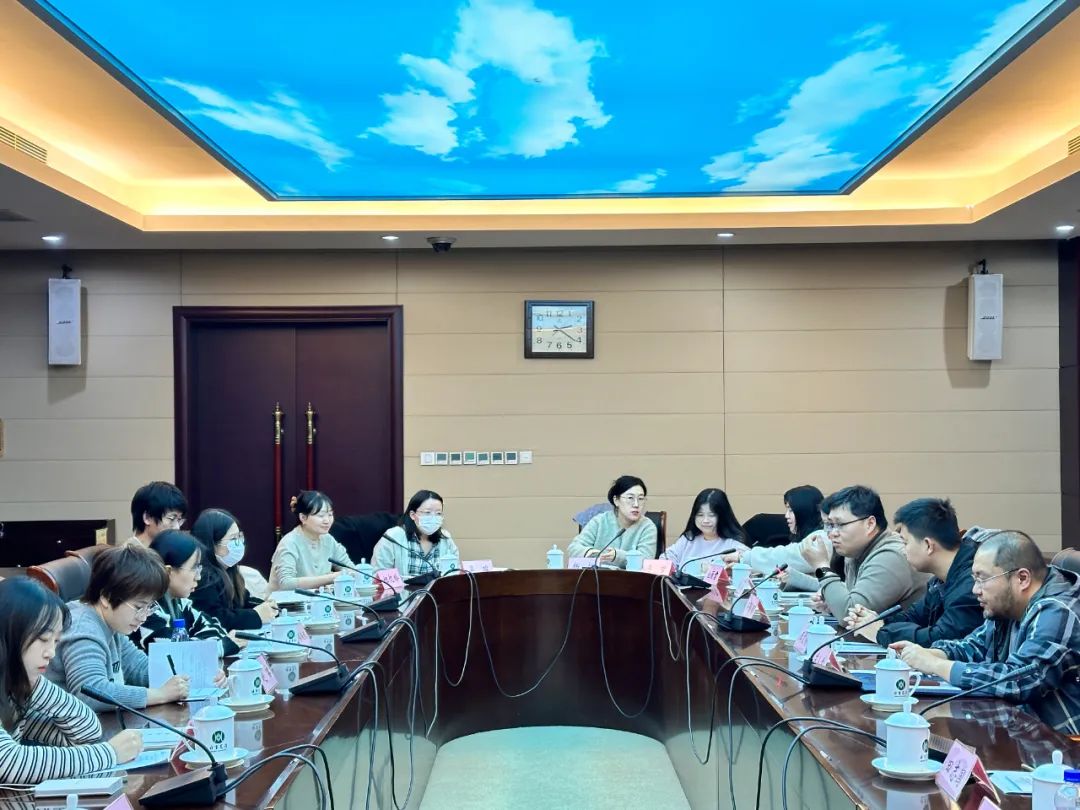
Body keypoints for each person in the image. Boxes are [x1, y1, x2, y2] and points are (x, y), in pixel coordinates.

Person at [891, 531, 1080, 735]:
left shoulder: (1057, 611)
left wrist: (936, 665)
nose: (975, 590)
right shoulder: (1008, 605)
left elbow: (1018, 681)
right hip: (1020, 734)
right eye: (974, 579)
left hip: (1063, 745)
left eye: (982, 579)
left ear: (1022, 578)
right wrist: (930, 654)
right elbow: (973, 647)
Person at [0, 578, 143, 783]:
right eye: (43, 639)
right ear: (8, 633)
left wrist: (35, 684)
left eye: (56, 641)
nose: (51, 652)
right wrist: (109, 753)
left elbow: (86, 733)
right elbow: (9, 763)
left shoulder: (16, 690)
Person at [47, 544, 199, 711]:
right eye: (139, 607)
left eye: (149, 607)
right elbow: (90, 693)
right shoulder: (82, 627)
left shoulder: (110, 624)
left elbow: (138, 668)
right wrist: (160, 695)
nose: (144, 617)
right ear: (106, 597)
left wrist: (194, 677)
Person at [844, 498, 982, 645]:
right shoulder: (940, 580)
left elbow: (940, 638)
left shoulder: (972, 583)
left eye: (905, 542)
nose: (903, 550)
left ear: (928, 545)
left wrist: (881, 633)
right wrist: (876, 621)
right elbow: (912, 617)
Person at [799, 484, 928, 620]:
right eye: (830, 525)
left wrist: (821, 567)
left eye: (840, 524)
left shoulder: (891, 555)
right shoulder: (855, 552)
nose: (832, 533)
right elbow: (850, 604)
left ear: (870, 524)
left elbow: (849, 615)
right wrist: (833, 603)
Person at [132, 530, 241, 657]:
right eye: (194, 568)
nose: (198, 577)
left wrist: (189, 645)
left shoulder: (180, 603)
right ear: (168, 572)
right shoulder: (147, 610)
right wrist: (219, 647)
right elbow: (174, 654)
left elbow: (215, 628)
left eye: (199, 568)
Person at [723, 485, 829, 591]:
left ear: (804, 511)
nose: (786, 516)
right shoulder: (803, 538)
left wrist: (745, 558)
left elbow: (786, 557)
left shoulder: (821, 538)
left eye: (791, 510)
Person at [190, 508, 278, 630]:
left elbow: (243, 601)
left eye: (239, 537)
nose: (239, 544)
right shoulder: (202, 577)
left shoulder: (230, 570)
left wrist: (266, 606)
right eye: (232, 539)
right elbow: (216, 618)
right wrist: (256, 615)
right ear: (212, 544)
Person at [269, 490, 357, 592]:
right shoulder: (289, 542)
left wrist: (341, 575)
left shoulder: (328, 539)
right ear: (303, 517)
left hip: (318, 599)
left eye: (330, 514)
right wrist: (331, 578)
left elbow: (351, 570)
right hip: (286, 601)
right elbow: (286, 583)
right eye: (321, 516)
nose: (327, 520)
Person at [567, 475, 657, 568]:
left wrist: (618, 556)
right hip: (597, 575)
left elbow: (646, 560)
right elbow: (573, 548)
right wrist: (589, 552)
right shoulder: (599, 521)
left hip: (631, 577)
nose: (636, 504)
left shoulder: (647, 527)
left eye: (641, 499)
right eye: (630, 498)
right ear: (616, 500)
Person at [373, 490, 461, 576]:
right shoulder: (393, 537)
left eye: (438, 513)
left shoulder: (445, 538)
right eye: (427, 512)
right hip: (403, 586)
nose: (433, 517)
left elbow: (455, 571)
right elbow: (378, 575)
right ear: (413, 515)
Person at [661, 488, 749, 573]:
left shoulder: (734, 545)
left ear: (723, 516)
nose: (705, 520)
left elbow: (751, 567)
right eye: (700, 515)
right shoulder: (688, 539)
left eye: (711, 515)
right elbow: (666, 558)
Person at [126, 481, 187, 547]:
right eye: (171, 519)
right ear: (147, 517)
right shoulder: (128, 553)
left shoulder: (165, 549)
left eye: (179, 520)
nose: (177, 528)